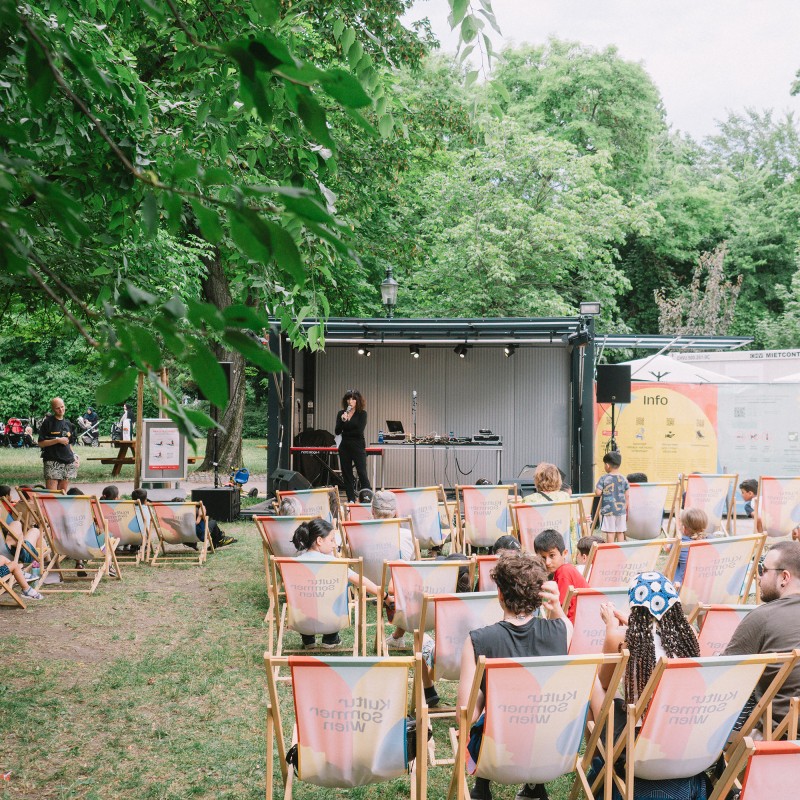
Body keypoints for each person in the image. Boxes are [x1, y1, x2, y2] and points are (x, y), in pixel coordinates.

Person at [458, 552, 571, 800]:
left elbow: (465, 716)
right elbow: (561, 622)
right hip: (549, 750)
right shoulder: (564, 630)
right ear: (538, 593)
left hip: (496, 755)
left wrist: (484, 697)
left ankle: (482, 787)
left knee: (490, 708)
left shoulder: (477, 641)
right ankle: (534, 787)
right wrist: (557, 610)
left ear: (500, 593)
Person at [591, 572, 706, 799]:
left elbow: (605, 682)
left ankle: (598, 765)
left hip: (638, 736)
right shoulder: (689, 634)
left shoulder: (621, 638)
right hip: (679, 726)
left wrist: (611, 629)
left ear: (636, 610)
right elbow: (657, 637)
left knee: (594, 683)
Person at [723, 541, 800, 729]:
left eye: (763, 570)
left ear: (784, 577)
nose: (758, 577)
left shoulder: (763, 617)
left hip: (779, 731)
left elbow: (722, 678)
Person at [290, 518, 380, 649]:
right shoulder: (335, 563)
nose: (335, 544)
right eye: (332, 540)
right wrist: (383, 595)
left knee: (306, 593)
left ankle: (308, 639)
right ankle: (330, 638)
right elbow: (361, 581)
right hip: (331, 621)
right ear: (319, 541)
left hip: (302, 621)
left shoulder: (293, 563)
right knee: (339, 587)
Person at [372, 490, 417, 650]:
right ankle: (398, 636)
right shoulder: (407, 535)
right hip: (397, 585)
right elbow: (412, 566)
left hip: (368, 583)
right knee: (409, 582)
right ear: (396, 512)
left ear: (372, 511)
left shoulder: (358, 535)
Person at [533, 529, 589, 623]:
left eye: (552, 555)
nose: (547, 562)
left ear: (564, 553)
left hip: (575, 627)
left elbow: (561, 611)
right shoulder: (565, 570)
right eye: (543, 557)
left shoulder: (564, 572)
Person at [335, 389, 371, 503]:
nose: (350, 401)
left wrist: (346, 426)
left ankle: (367, 497)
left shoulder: (362, 414)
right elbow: (337, 431)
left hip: (358, 446)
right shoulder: (341, 413)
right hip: (344, 446)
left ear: (357, 400)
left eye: (353, 399)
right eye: (348, 398)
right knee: (347, 474)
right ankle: (351, 498)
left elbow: (359, 431)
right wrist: (343, 421)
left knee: (362, 472)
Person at [37, 398, 78, 491]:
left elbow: (69, 444)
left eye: (62, 407)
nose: (61, 410)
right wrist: (58, 440)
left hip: (67, 461)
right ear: (52, 409)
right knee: (52, 495)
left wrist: (74, 456)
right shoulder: (48, 422)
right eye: (57, 408)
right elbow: (41, 443)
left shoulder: (68, 424)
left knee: (62, 494)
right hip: (52, 461)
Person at [595, 451, 629, 543]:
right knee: (620, 532)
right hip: (621, 510)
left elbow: (598, 493)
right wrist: (625, 507)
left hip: (609, 510)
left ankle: (611, 550)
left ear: (607, 465)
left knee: (610, 532)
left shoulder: (604, 478)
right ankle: (621, 549)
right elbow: (627, 495)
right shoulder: (623, 479)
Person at [672, 507, 709, 586]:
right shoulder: (713, 540)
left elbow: (668, 550)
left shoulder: (680, 543)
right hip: (706, 587)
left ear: (684, 528)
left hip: (681, 587)